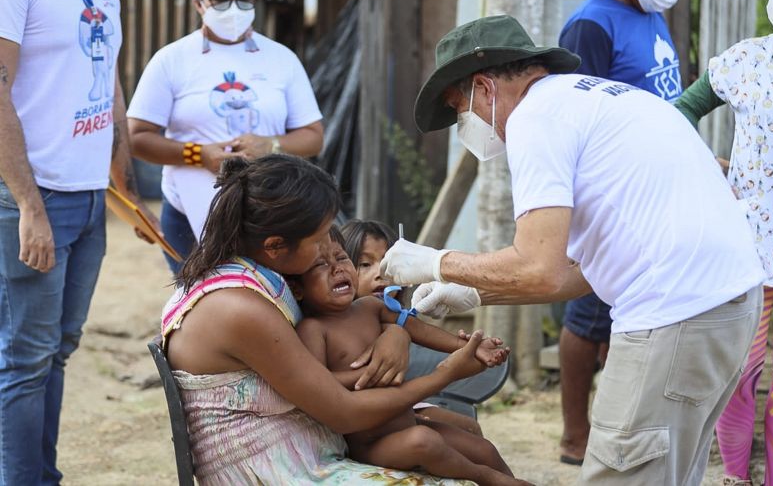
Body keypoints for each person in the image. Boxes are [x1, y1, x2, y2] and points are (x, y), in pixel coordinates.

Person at [379, 14, 765, 485]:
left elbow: (538, 268)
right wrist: (474, 290)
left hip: (673, 314)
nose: (467, 126)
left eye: (461, 110)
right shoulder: (593, 100)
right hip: (727, 306)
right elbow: (572, 270)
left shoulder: (535, 120)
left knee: (622, 470)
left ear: (485, 88)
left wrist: (435, 263)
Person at [161, 153, 492, 485]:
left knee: (463, 447)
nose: (328, 247)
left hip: (308, 446)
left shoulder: (256, 277)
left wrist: (399, 332)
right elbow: (344, 412)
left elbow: (354, 323)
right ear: (275, 246)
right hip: (276, 470)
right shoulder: (239, 308)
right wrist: (445, 374)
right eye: (319, 240)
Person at [0, 0, 160, 483]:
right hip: (37, 194)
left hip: (90, 195)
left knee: (59, 348)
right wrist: (28, 206)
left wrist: (130, 194)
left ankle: (41, 474)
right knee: (27, 357)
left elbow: (108, 84)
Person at [556, 0, 697, 466]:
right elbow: (574, 117)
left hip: (657, 191)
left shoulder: (648, 12)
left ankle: (617, 426)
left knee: (624, 312)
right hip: (618, 196)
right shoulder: (589, 27)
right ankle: (574, 434)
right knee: (589, 312)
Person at [674, 0, 773, 483]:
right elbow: (682, 111)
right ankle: (733, 477)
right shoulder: (749, 59)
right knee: (741, 374)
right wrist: (706, 165)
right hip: (750, 244)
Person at [128, 0, 323, 274]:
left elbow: (313, 137)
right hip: (190, 209)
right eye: (220, 0)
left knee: (272, 299)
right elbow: (137, 138)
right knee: (202, 303)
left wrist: (271, 146)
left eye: (244, 0)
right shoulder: (172, 60)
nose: (233, 10)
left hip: (271, 209)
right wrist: (197, 154)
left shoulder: (281, 59)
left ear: (256, 1)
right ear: (198, 4)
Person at [291, 226, 525, 485]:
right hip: (371, 443)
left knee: (484, 450)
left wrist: (467, 346)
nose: (337, 268)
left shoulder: (370, 307)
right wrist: (367, 373)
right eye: (321, 264)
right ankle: (487, 478)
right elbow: (318, 383)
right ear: (297, 289)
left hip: (407, 419)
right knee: (424, 442)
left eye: (341, 257)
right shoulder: (313, 329)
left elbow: (414, 327)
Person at [341, 218, 486, 436]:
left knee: (470, 427)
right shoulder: (333, 322)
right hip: (356, 413)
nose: (381, 273)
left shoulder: (395, 317)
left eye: (388, 262)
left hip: (402, 402)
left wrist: (469, 346)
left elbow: (425, 332)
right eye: (365, 264)